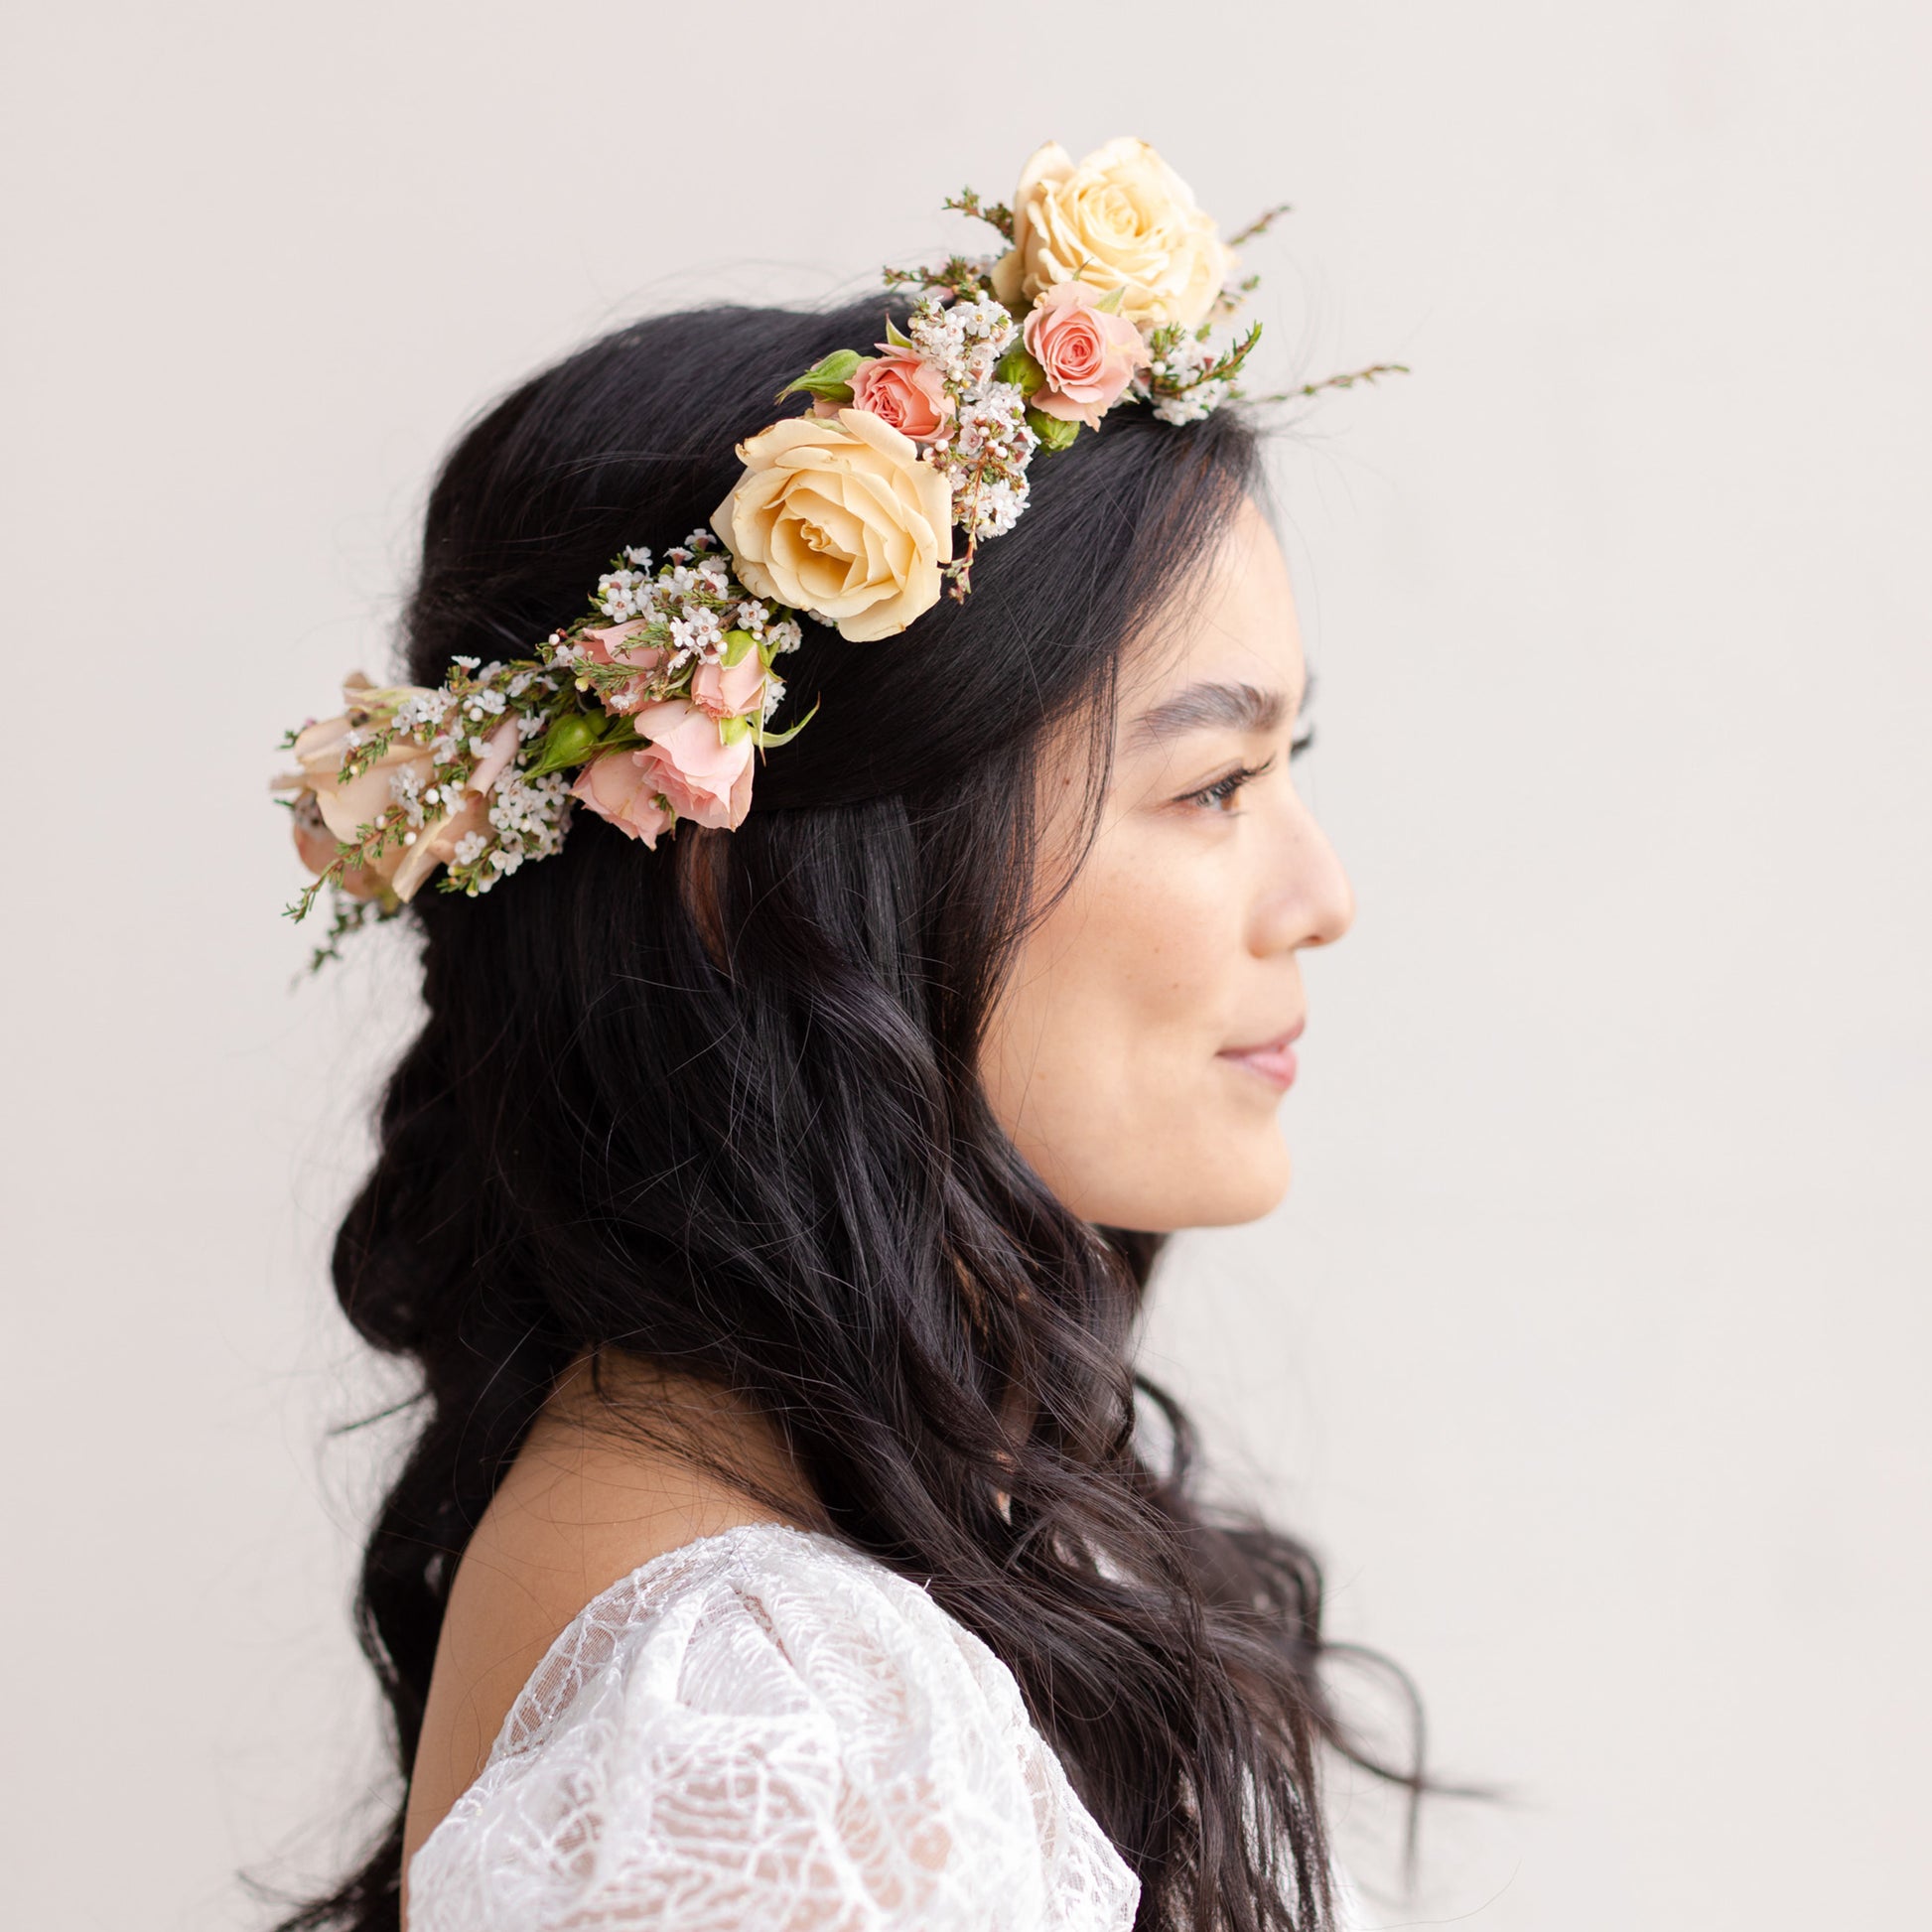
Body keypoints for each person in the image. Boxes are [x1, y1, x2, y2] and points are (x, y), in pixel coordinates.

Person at [275, 141, 1414, 1932]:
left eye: (1292, 768)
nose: (1319, 892)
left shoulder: (793, 1596)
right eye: (1211, 783)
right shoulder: (759, 1726)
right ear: (765, 874)